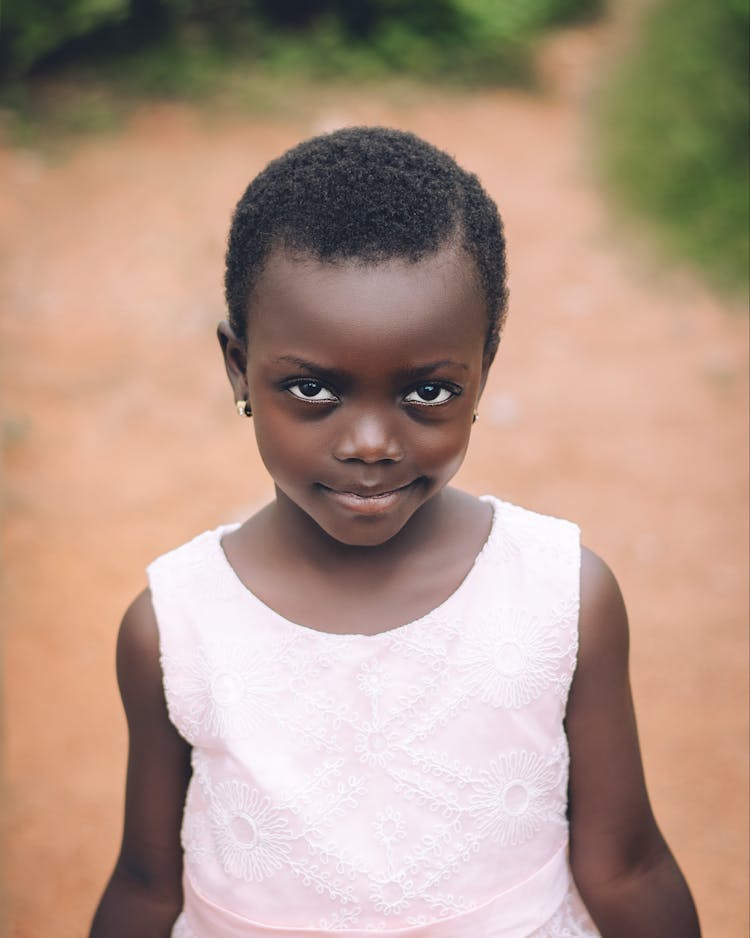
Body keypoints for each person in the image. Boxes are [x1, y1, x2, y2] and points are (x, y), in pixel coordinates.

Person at [90, 127, 700, 938]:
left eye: (427, 393)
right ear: (239, 368)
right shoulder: (174, 626)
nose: (371, 443)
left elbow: (627, 866)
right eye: (312, 389)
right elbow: (144, 884)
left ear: (484, 364)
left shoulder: (562, 597)